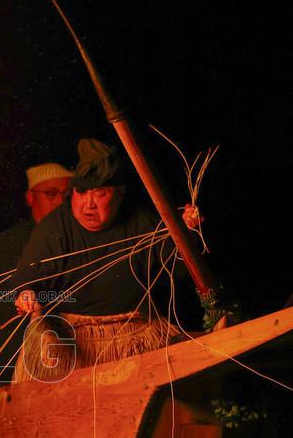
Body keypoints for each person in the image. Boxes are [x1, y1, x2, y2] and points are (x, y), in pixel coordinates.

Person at [11, 138, 202, 382]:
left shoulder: (143, 223)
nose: (88, 204)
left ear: (119, 194)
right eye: (81, 192)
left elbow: (181, 272)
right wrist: (26, 294)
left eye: (100, 193)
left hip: (135, 338)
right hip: (68, 343)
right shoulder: (55, 227)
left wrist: (188, 235)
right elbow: (27, 277)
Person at [0, 162, 73, 386]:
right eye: (51, 194)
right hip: (8, 349)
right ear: (31, 197)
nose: (60, 201)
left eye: (66, 194)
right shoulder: (11, 241)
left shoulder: (70, 236)